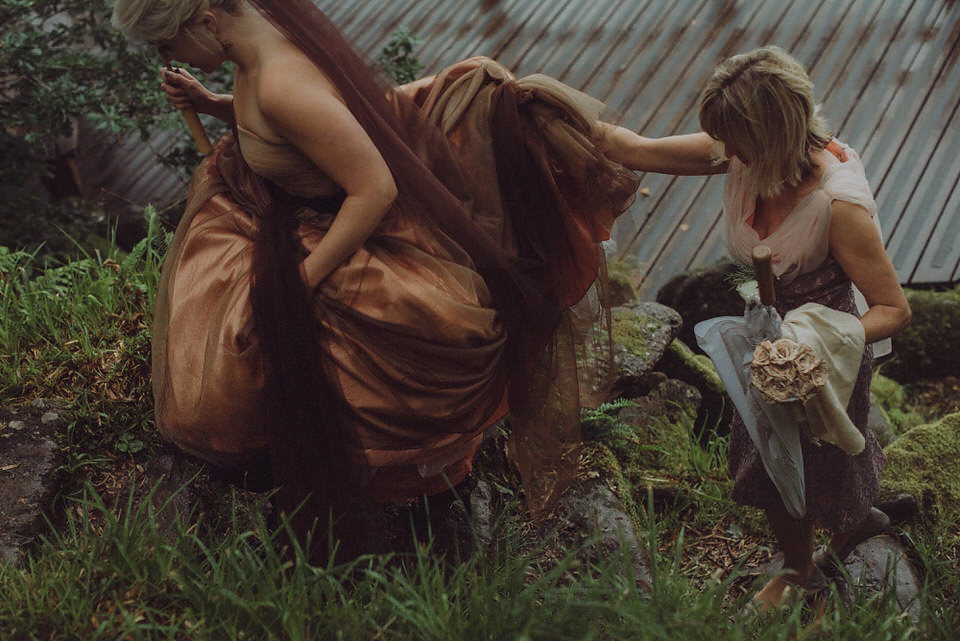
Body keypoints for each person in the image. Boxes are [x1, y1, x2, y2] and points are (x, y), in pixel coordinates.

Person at [111, 0, 655, 558]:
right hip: (307, 207)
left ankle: (405, 492)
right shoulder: (267, 41)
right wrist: (215, 104)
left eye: (165, 43)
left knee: (264, 336)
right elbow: (300, 123)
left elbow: (374, 189)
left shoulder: (279, 82)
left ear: (206, 21)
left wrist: (301, 281)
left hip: (352, 223)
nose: (168, 57)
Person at [612, 46, 910, 610]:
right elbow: (634, 148)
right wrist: (541, 109)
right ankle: (799, 564)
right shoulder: (742, 153)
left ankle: (847, 535)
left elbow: (893, 309)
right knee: (769, 452)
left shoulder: (836, 205)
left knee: (827, 454)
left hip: (824, 351)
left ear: (769, 137)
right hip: (763, 338)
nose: (723, 154)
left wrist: (813, 345)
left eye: (734, 141)